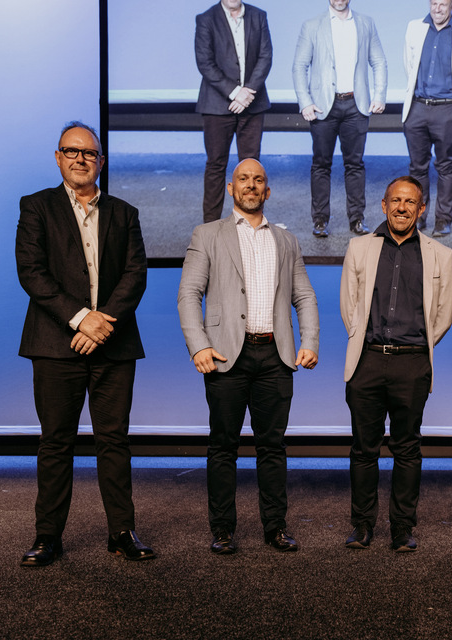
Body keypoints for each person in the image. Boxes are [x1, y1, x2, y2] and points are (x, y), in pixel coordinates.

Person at [16, 122, 155, 567]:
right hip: (56, 345)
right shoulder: (36, 207)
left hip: (113, 346)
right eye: (71, 152)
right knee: (56, 442)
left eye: (89, 153)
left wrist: (102, 323)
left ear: (101, 161)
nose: (80, 159)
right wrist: (80, 319)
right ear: (58, 158)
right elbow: (32, 272)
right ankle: (47, 537)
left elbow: (135, 275)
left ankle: (122, 532)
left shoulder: (125, 212)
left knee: (113, 441)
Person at [177, 158, 320, 555]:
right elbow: (189, 293)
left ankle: (275, 528)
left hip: (275, 356)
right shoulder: (207, 234)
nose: (251, 186)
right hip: (226, 356)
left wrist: (309, 340)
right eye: (244, 179)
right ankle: (222, 530)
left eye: (258, 180)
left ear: (267, 191)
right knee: (223, 446)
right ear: (230, 187)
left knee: (272, 447)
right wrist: (199, 345)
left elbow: (304, 295)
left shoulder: (286, 240)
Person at [340, 175, 452, 552]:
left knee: (407, 450)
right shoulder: (359, 247)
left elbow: (442, 316)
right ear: (384, 205)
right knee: (363, 449)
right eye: (395, 201)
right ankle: (362, 526)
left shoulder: (441, 254)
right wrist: (365, 343)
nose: (402, 207)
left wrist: (417, 350)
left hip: (412, 365)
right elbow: (349, 307)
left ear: (422, 209)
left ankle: (402, 528)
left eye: (410, 202)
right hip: (368, 362)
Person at [292, 0, 388, 239]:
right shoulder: (312, 25)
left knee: (355, 164)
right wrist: (305, 102)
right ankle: (321, 220)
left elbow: (379, 61)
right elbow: (299, 66)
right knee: (321, 164)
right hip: (324, 105)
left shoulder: (366, 23)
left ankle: (357, 219)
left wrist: (379, 95)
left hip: (356, 104)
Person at [402, 0, 452, 237]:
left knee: (446, 166)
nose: (437, 8)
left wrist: (449, 97)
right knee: (417, 167)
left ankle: (443, 220)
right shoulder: (414, 27)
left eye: (443, 4)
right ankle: (418, 217)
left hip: (446, 110)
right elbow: (409, 64)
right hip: (417, 107)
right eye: (433, 3)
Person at [195, 0, 273, 222]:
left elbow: (265, 57)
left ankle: (251, 220)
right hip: (217, 106)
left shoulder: (259, 16)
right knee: (216, 165)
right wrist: (235, 92)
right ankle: (210, 226)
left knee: (251, 166)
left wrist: (248, 92)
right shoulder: (206, 19)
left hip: (253, 103)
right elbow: (204, 62)